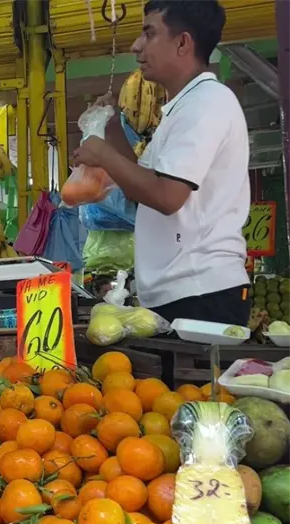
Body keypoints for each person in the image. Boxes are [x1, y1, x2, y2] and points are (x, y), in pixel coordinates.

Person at [72, 0, 250, 325]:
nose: (136, 46)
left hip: (201, 293)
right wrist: (111, 131)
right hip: (181, 293)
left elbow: (167, 197)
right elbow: (144, 190)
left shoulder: (207, 103)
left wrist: (103, 155)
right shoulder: (181, 109)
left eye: (149, 34)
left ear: (183, 42)